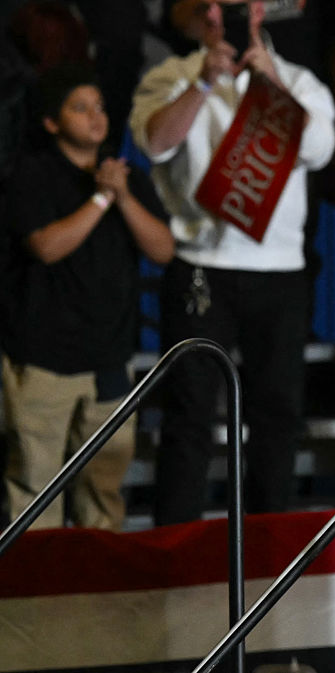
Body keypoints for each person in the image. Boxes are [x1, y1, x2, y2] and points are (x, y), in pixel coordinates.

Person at [129, 0, 335, 524]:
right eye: (213, 7)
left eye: (237, 7)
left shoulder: (299, 82)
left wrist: (272, 83)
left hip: (280, 271)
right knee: (189, 413)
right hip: (201, 265)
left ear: (259, 13)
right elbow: (154, 143)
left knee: (276, 415)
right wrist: (203, 82)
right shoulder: (171, 76)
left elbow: (320, 149)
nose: (223, 17)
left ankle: (269, 546)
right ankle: (177, 547)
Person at [1, 64, 174, 530]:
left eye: (99, 106)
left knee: (103, 494)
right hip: (43, 362)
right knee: (36, 492)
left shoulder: (124, 177)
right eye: (80, 108)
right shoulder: (31, 175)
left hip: (110, 359)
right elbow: (46, 246)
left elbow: (163, 249)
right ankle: (35, 577)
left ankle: (99, 577)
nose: (96, 117)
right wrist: (100, 200)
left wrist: (123, 197)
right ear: (51, 121)